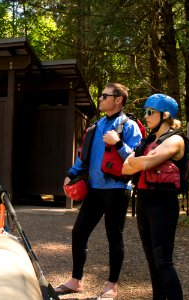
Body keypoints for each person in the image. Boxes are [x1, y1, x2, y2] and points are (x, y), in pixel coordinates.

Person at [55, 83, 142, 299]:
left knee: (114, 237)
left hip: (117, 190)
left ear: (119, 99)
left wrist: (118, 142)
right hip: (94, 190)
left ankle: (111, 285)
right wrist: (71, 173)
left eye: (105, 96)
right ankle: (76, 281)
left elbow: (137, 160)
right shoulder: (96, 126)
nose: (100, 99)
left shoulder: (130, 126)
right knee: (79, 232)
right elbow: (83, 156)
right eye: (101, 96)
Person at [122, 94, 184, 299]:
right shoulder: (148, 141)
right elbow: (125, 168)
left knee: (162, 260)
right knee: (151, 260)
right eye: (145, 112)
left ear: (165, 115)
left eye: (150, 112)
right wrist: (140, 160)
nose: (146, 117)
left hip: (163, 203)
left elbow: (145, 164)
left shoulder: (176, 139)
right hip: (144, 201)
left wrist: (139, 161)